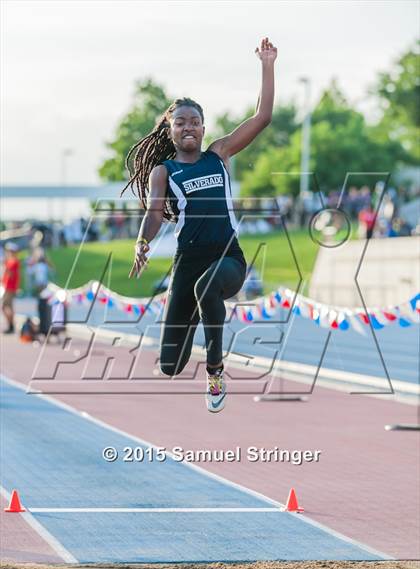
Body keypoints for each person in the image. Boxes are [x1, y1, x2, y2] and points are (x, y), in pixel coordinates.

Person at [122, 37, 277, 412]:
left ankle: (215, 370)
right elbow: (155, 212)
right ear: (170, 130)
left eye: (195, 122)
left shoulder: (219, 155)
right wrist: (142, 243)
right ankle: (193, 310)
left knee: (207, 286)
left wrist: (267, 65)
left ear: (204, 128)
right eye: (181, 122)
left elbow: (262, 118)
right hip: (187, 261)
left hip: (228, 259)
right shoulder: (165, 170)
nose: (188, 127)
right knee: (170, 365)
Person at [1, 242, 21, 334]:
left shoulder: (13, 261)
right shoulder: (9, 261)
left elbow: (11, 274)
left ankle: (11, 325)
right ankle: (11, 325)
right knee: (8, 307)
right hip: (7, 286)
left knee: (5, 306)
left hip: (10, 287)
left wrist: (5, 266)